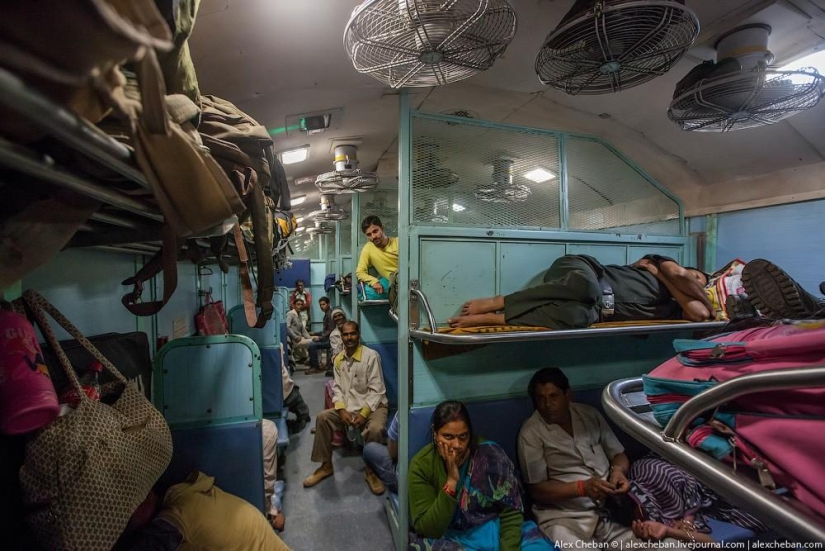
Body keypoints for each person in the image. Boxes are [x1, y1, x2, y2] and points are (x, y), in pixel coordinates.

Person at [518, 367, 685, 547]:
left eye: (553, 396)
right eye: (540, 399)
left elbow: (618, 455)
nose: (547, 405)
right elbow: (537, 490)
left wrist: (618, 472)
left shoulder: (589, 414)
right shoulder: (531, 432)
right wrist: (581, 488)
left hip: (609, 514)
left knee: (672, 546)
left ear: (567, 394)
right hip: (564, 519)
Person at [409, 400, 555, 551]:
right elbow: (428, 529)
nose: (457, 445)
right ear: (435, 434)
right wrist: (451, 482)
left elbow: (510, 512)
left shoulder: (489, 456)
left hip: (493, 530)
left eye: (463, 436)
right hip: (450, 537)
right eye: (448, 437)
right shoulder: (422, 466)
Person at [449, 254, 712, 329]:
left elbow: (699, 315)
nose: (696, 283)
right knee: (586, 288)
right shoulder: (662, 262)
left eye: (700, 284)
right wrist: (668, 275)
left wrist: (667, 284)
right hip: (584, 271)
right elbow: (679, 274)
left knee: (576, 318)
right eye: (696, 276)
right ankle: (501, 301)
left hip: (597, 311)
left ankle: (499, 318)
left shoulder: (676, 298)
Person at [303, 321, 388, 494]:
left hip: (374, 405)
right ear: (341, 337)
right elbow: (338, 388)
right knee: (322, 418)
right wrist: (341, 409)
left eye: (353, 334)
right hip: (350, 406)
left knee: (375, 428)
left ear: (358, 335)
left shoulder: (371, 356)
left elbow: (377, 390)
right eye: (345, 334)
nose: (349, 338)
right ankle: (326, 465)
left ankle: (371, 471)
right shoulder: (339, 359)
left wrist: (363, 414)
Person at [116, 471, 291, 551]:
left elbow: (152, 542)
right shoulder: (184, 491)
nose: (123, 522)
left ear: (147, 499)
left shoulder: (177, 517)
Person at [627, 455, 767, 545]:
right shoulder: (650, 519)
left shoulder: (650, 471)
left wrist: (688, 519)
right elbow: (709, 543)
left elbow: (689, 486)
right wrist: (672, 530)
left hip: (696, 470)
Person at [356, 215, 398, 296]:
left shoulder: (398, 242)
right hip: (393, 283)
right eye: (369, 234)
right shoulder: (368, 248)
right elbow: (360, 272)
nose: (373, 236)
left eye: (375, 231)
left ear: (382, 228)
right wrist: (373, 281)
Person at [362, 410, 399, 494]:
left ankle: (372, 473)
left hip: (404, 481)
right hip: (432, 479)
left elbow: (393, 453)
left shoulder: (403, 412)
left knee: (369, 448)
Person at [306, 296, 334, 375]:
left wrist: (320, 338)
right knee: (312, 342)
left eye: (323, 304)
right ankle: (313, 364)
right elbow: (325, 330)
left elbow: (330, 330)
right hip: (327, 338)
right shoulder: (326, 314)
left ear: (328, 304)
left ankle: (316, 367)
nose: (322, 306)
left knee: (312, 345)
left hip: (330, 340)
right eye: (320, 305)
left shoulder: (330, 315)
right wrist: (315, 333)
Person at [286, 298, 317, 364]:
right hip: (294, 340)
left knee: (316, 340)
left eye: (301, 305)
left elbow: (303, 330)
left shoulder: (299, 315)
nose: (300, 306)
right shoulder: (290, 314)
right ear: (293, 305)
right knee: (316, 344)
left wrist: (310, 338)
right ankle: (315, 364)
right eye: (298, 304)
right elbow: (287, 327)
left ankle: (307, 359)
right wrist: (295, 337)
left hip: (299, 338)